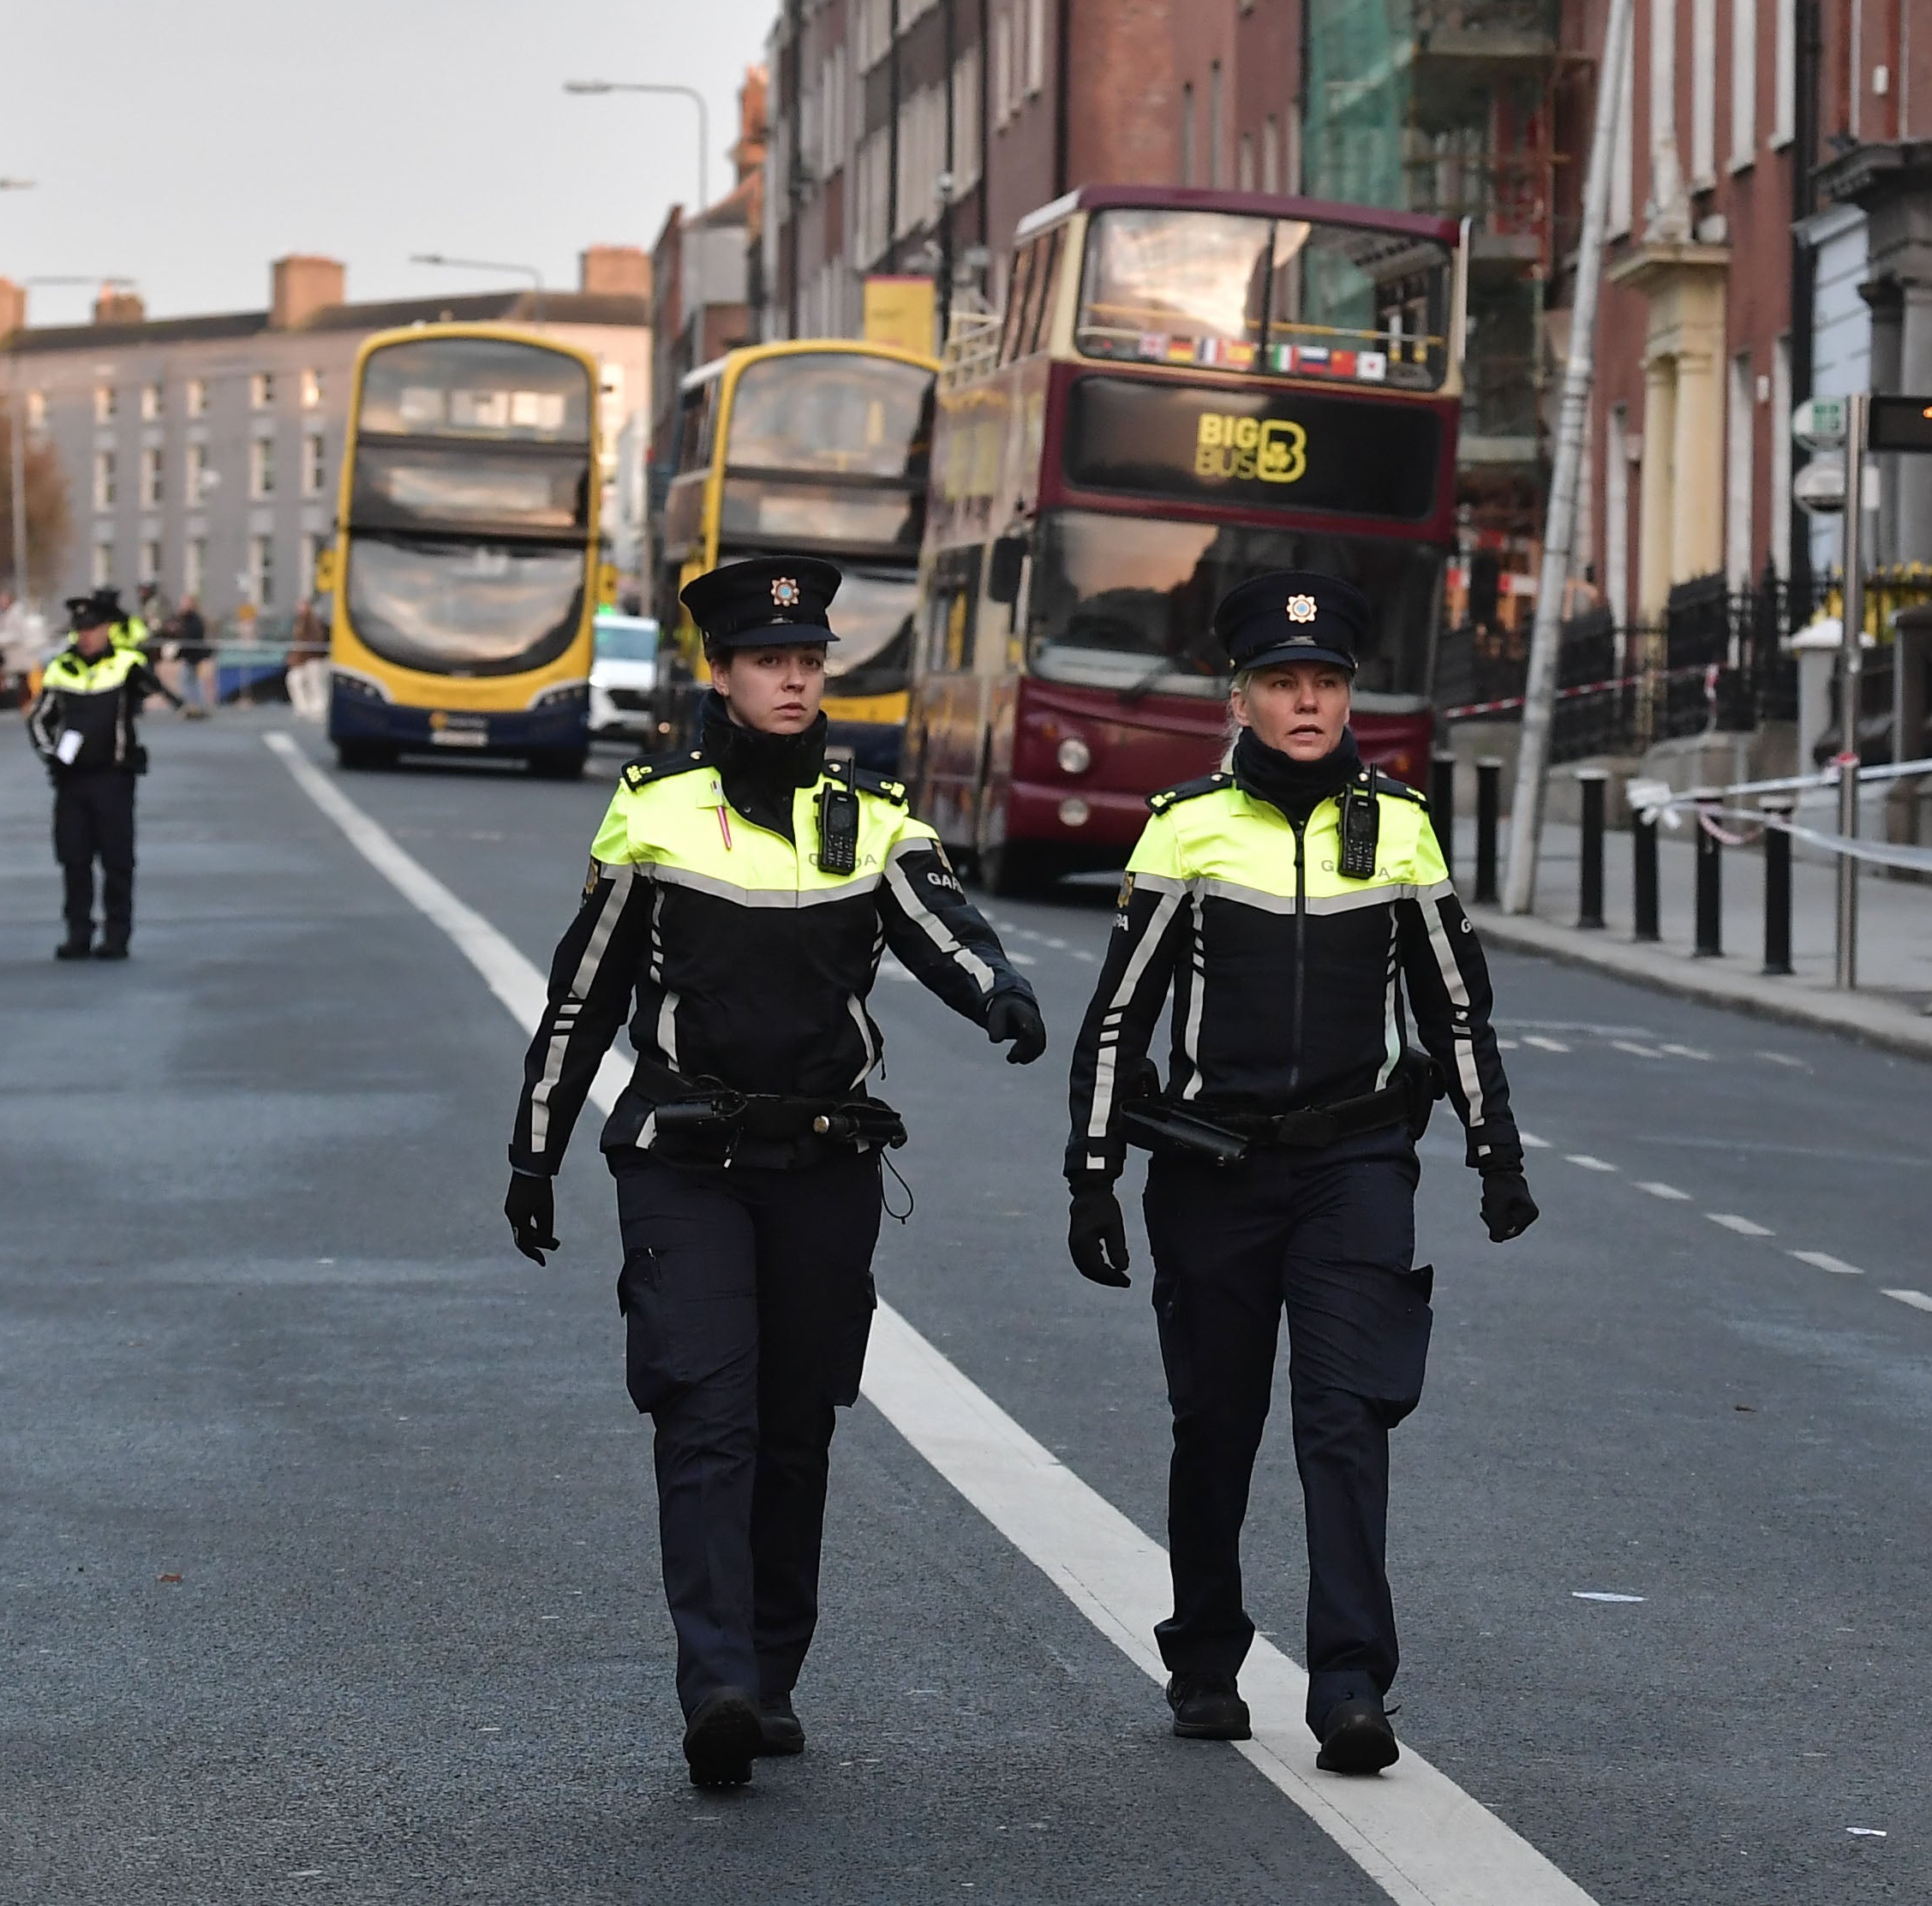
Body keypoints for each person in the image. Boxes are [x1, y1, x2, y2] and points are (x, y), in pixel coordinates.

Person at [506, 553, 1047, 1795]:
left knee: (796, 1420)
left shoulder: (872, 818)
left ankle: (770, 1665)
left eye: (809, 662)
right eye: (769, 661)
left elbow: (944, 930)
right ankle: (716, 1684)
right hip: (686, 1158)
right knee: (706, 1408)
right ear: (723, 673)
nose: (794, 679)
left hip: (822, 1163)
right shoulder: (651, 812)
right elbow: (580, 1001)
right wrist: (532, 1150)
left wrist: (999, 994)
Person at [1059, 569, 1531, 1777]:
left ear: (1348, 693)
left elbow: (1455, 1008)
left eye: (1324, 681)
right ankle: (1206, 1654)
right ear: (1244, 695)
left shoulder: (1401, 826)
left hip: (1355, 1165)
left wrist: (1493, 1148)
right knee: (1214, 1422)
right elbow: (1119, 1014)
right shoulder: (1185, 826)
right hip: (1214, 1172)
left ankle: (1350, 1680)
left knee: (1344, 1419)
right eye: (1283, 682)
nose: (1306, 701)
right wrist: (1094, 1169)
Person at [27, 592, 164, 960]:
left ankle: (117, 935)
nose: (85, 636)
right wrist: (51, 756)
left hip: (114, 778)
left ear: (107, 629)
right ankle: (78, 932)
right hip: (72, 781)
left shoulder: (125, 664)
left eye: (93, 629)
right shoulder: (60, 668)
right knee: (74, 858)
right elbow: (40, 720)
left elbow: (152, 689)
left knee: (117, 860)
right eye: (80, 630)